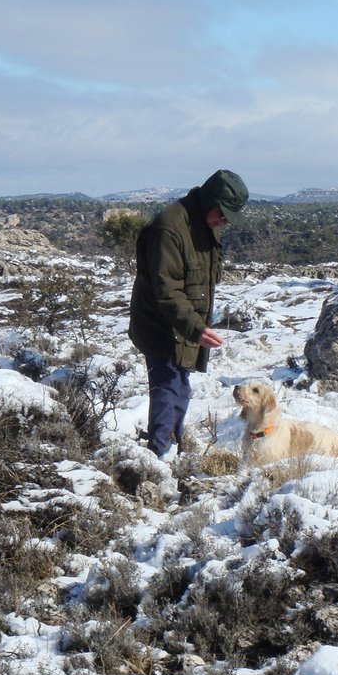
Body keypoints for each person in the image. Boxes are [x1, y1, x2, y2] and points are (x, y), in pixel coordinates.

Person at [128, 169, 249, 459]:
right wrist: (195, 327)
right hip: (161, 325)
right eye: (223, 214)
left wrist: (194, 326)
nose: (225, 222)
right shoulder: (168, 229)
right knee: (168, 389)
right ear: (209, 203)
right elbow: (167, 290)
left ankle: (171, 447)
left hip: (182, 324)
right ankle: (159, 457)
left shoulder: (207, 223)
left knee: (180, 388)